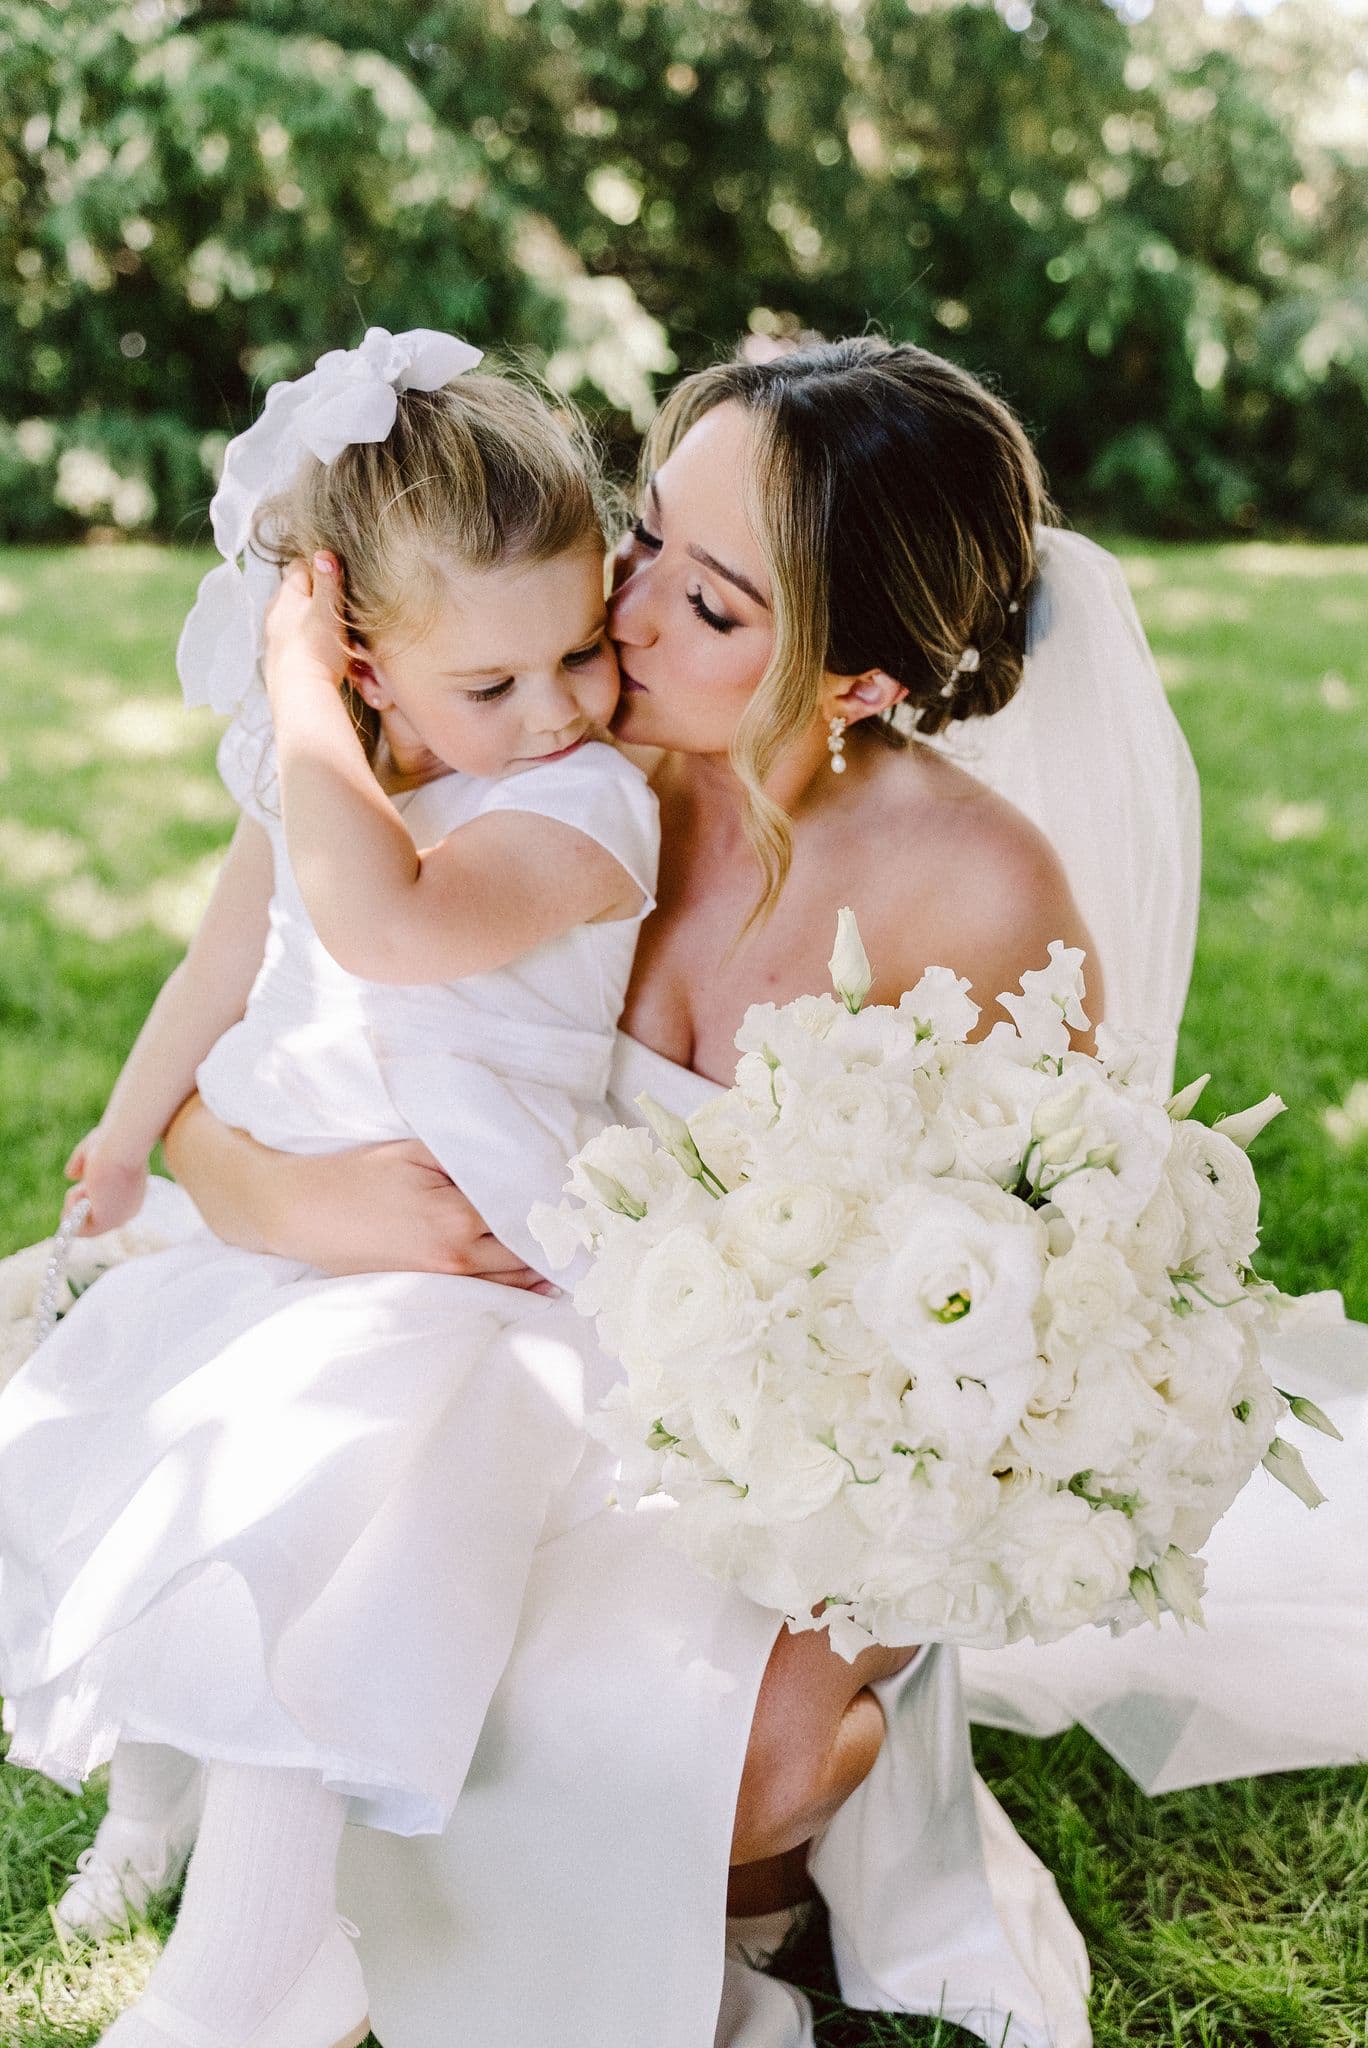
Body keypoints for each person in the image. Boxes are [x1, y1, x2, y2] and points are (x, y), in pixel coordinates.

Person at [166, 337, 1127, 2048]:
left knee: (730, 1767)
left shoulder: (980, 900)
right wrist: (279, 1197)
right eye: (647, 542)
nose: (628, 619)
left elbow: (1016, 1360)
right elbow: (235, 1051)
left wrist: (838, 1643)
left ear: (860, 681)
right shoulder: (530, 746)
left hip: (772, 1462)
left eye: (716, 604)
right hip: (493, 1369)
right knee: (343, 1605)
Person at [0, 331, 663, 2048]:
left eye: (581, 651)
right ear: (376, 655)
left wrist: (302, 698)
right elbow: (221, 968)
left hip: (458, 1252)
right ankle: (155, 1809)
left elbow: (383, 926)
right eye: (494, 686)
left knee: (304, 1511)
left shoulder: (591, 805)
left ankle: (256, 1956)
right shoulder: (325, 780)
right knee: (176, 1483)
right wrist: (133, 1131)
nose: (561, 708)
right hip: (284, 1198)